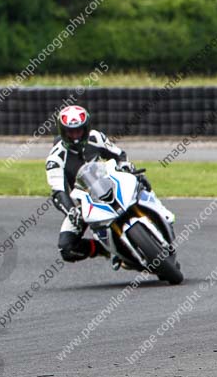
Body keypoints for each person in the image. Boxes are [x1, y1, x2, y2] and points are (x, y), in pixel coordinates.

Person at [45, 105, 150, 265]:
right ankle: (106, 250)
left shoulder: (96, 138)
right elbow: (58, 192)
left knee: (141, 180)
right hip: (84, 202)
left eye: (78, 131)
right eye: (70, 132)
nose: (75, 136)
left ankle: (159, 215)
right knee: (66, 248)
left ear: (86, 129)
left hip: (110, 185)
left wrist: (125, 165)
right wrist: (71, 211)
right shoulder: (55, 159)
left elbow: (119, 154)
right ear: (63, 131)